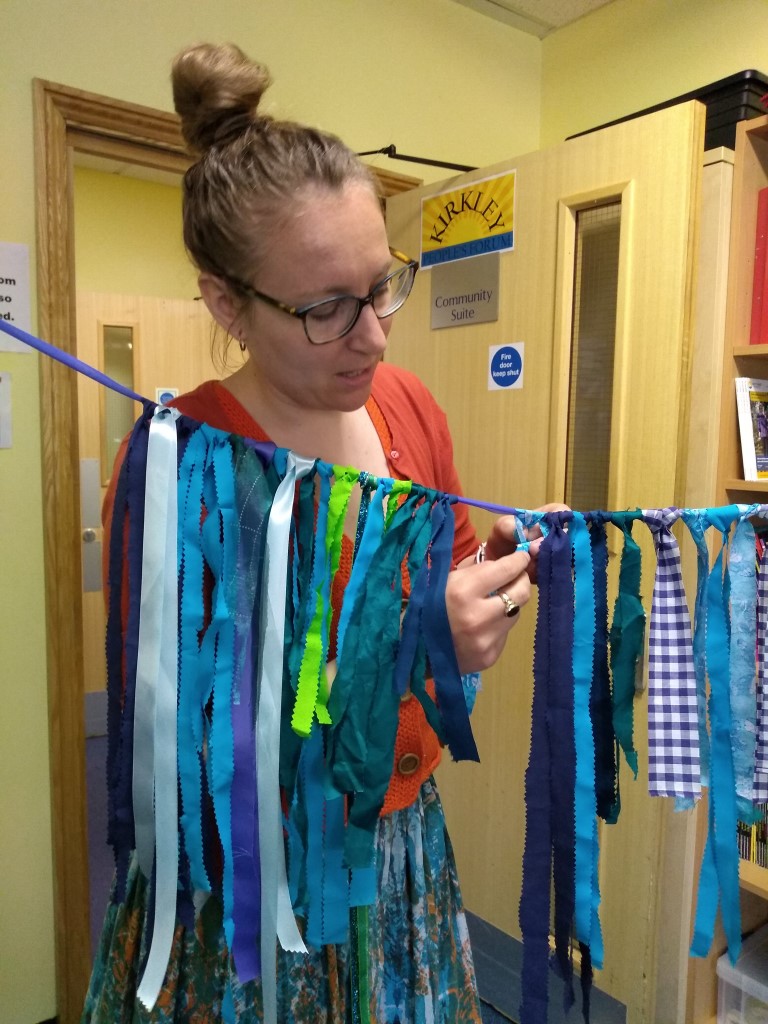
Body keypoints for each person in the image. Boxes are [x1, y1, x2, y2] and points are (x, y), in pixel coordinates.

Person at [82, 41, 544, 1024]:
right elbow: (194, 758)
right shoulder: (181, 463)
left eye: (382, 286)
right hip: (259, 885)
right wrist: (418, 644)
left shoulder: (410, 409)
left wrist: (486, 593)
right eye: (326, 309)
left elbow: (450, 629)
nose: (374, 335)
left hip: (404, 850)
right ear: (226, 303)